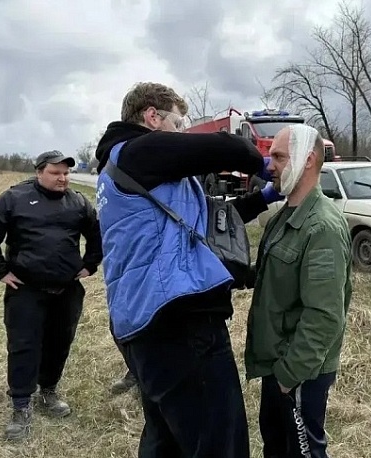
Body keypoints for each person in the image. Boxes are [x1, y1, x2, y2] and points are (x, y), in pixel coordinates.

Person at [95, 81, 283, 458]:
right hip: (177, 323)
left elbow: (208, 222)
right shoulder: (135, 152)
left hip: (147, 321)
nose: (184, 132)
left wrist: (262, 199)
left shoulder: (141, 173)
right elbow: (225, 146)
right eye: (180, 124)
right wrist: (262, 164)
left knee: (168, 440)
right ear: (152, 117)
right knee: (217, 440)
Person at [0, 150, 103, 442]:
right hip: (26, 290)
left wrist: (90, 264)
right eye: (56, 173)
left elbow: (97, 234)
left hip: (67, 289)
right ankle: (21, 405)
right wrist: (0, 271)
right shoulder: (14, 199)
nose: (63, 178)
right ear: (39, 172)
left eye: (66, 173)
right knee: (24, 345)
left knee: (59, 342)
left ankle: (48, 391)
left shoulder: (78, 202)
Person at [244, 124, 352, 458]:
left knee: (303, 451)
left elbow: (324, 315)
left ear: (307, 160)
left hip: (299, 372)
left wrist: (289, 376)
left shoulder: (322, 227)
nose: (269, 165)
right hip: (277, 363)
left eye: (277, 156)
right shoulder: (285, 215)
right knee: (276, 446)